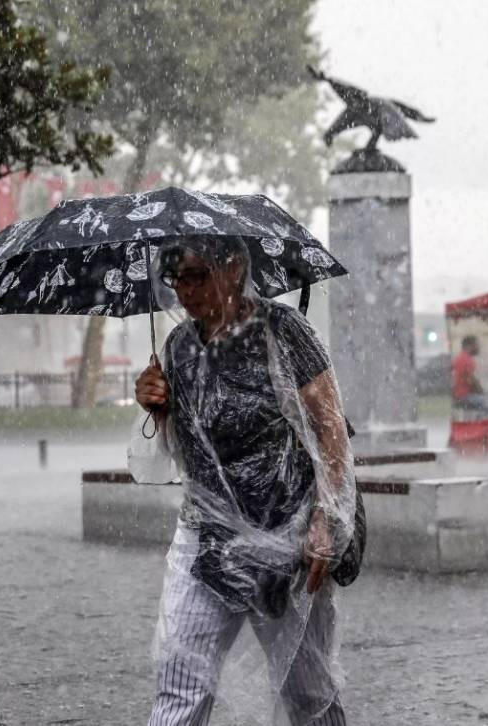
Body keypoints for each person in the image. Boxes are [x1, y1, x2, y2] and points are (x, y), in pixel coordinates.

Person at [133, 236, 355, 726]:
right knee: (179, 681)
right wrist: (156, 407)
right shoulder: (178, 348)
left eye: (196, 275)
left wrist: (326, 520)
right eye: (176, 279)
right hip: (205, 542)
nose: (185, 291)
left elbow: (330, 429)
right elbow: (183, 454)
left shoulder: (283, 332)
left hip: (285, 542)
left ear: (233, 267)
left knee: (309, 693)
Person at [451, 335, 488, 412]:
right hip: (464, 396)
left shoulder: (459, 358)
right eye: (476, 345)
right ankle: (485, 423)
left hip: (458, 396)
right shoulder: (467, 360)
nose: (479, 348)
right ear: (469, 346)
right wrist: (481, 391)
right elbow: (470, 381)